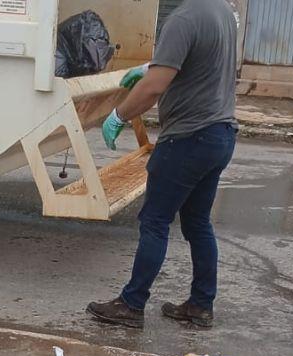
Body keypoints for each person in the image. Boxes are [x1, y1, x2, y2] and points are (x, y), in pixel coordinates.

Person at [87, 0, 238, 330]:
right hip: (220, 133)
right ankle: (200, 305)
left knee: (154, 221)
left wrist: (119, 114)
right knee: (198, 223)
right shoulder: (222, 11)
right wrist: (152, 65)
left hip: (188, 138)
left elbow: (155, 87)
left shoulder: (183, 18)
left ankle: (131, 303)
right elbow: (197, 61)